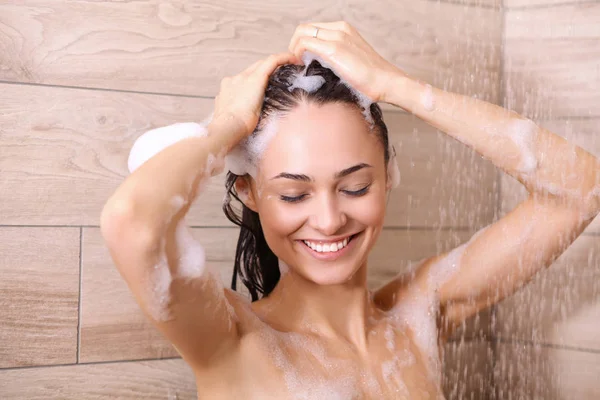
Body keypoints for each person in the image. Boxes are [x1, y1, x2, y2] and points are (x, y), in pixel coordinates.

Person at [100, 21, 600, 399]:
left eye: (356, 186)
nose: (329, 219)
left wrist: (399, 87)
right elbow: (132, 222)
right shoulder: (232, 340)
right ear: (250, 192)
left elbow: (581, 190)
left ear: (387, 176)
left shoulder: (419, 315)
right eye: (294, 194)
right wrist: (227, 125)